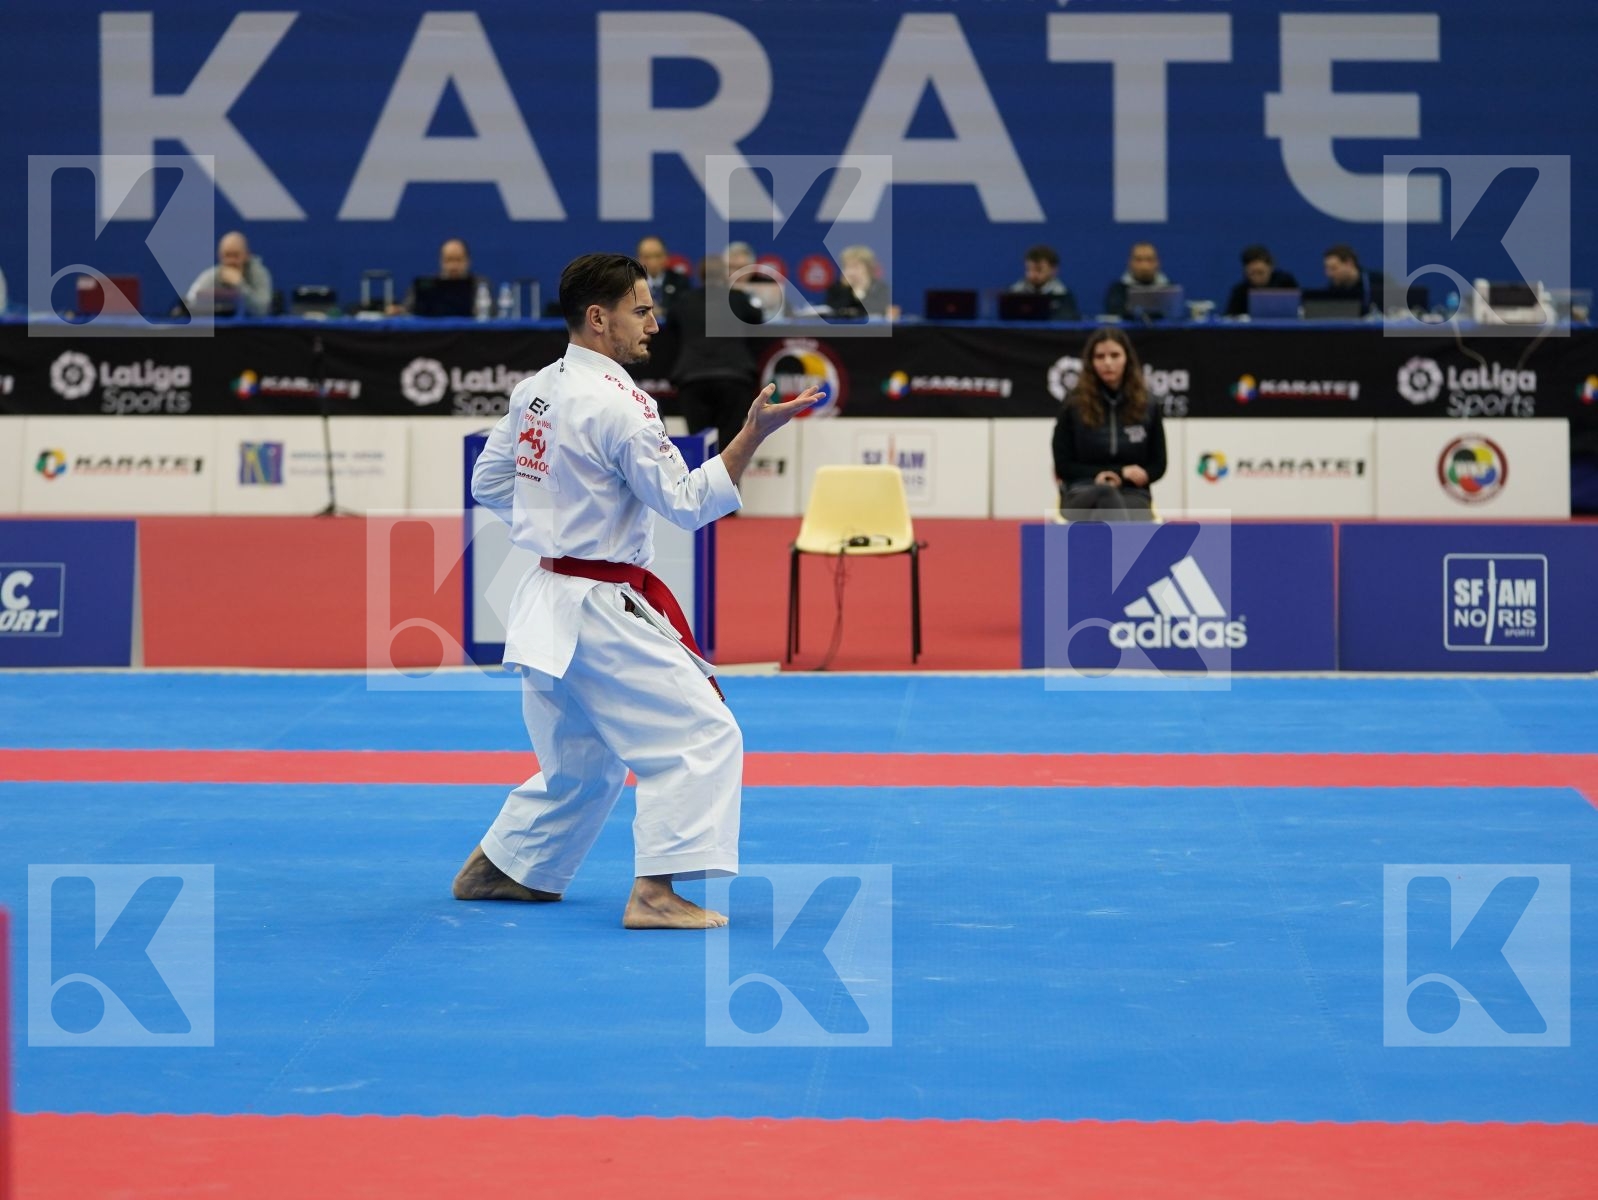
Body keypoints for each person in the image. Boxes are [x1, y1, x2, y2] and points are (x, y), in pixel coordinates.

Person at [453, 252, 821, 929]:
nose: (655, 322)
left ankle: (503, 868)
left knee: (582, 761)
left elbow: (489, 483)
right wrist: (751, 435)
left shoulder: (537, 389)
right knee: (704, 737)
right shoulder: (625, 405)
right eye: (641, 310)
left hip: (544, 597)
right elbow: (684, 504)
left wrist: (552, 524)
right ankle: (655, 893)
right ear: (600, 319)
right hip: (598, 608)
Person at [1052, 326, 1167, 521]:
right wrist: (1108, 474)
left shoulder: (1149, 404)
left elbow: (1159, 464)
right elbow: (1063, 465)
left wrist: (1137, 476)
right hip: (1082, 491)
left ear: (1127, 359)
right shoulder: (1073, 404)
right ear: (1091, 362)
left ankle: (1110, 550)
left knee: (1115, 512)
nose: (1108, 363)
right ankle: (1123, 550)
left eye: (1115, 355)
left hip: (1133, 492)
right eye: (1100, 356)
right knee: (1106, 496)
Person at [669, 255, 763, 455]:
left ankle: (701, 486)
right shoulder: (738, 299)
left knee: (700, 447)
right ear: (725, 275)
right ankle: (729, 486)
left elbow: (671, 325)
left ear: (700, 275)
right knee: (731, 448)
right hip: (734, 377)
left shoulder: (683, 301)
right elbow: (758, 318)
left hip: (693, 378)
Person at [390, 237, 492, 315]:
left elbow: (492, 312)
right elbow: (408, 308)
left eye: (458, 260)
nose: (453, 266)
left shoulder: (480, 284)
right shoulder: (427, 285)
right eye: (449, 260)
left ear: (468, 261)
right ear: (441, 262)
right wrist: (398, 310)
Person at [186, 231, 274, 316]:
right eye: (227, 255)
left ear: (246, 255)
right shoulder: (212, 275)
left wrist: (239, 284)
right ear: (220, 256)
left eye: (236, 255)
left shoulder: (258, 274)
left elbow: (261, 310)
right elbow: (190, 301)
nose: (231, 261)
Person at [1102, 242, 1174, 320]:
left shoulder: (1171, 290)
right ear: (1130, 263)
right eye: (1139, 260)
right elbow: (1114, 311)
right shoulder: (1118, 289)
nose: (1144, 266)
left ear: (1157, 263)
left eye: (1149, 260)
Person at [1008, 245, 1080, 320]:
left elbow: (1067, 321)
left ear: (1054, 270)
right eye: (1029, 269)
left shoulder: (1064, 295)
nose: (1032, 275)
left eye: (1039, 270)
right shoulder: (1014, 293)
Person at [1224, 245, 1299, 316]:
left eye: (1261, 272)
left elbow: (1300, 309)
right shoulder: (1240, 291)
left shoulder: (1286, 283)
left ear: (1271, 267)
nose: (1257, 277)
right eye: (1252, 273)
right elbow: (1230, 316)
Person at [823, 245, 893, 318]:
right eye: (847, 266)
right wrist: (846, 288)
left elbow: (878, 310)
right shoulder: (836, 287)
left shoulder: (879, 287)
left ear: (868, 268)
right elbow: (833, 311)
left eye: (855, 266)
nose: (851, 271)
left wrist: (860, 292)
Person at [1321, 244, 1385, 316]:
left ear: (1349, 263)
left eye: (1334, 268)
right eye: (1327, 269)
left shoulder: (1380, 282)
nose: (1329, 274)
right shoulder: (1331, 290)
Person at [636, 235, 690, 316]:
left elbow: (686, 310)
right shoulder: (631, 283)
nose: (653, 262)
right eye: (647, 257)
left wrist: (663, 312)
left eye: (658, 256)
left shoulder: (680, 281)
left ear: (666, 257)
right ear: (638, 259)